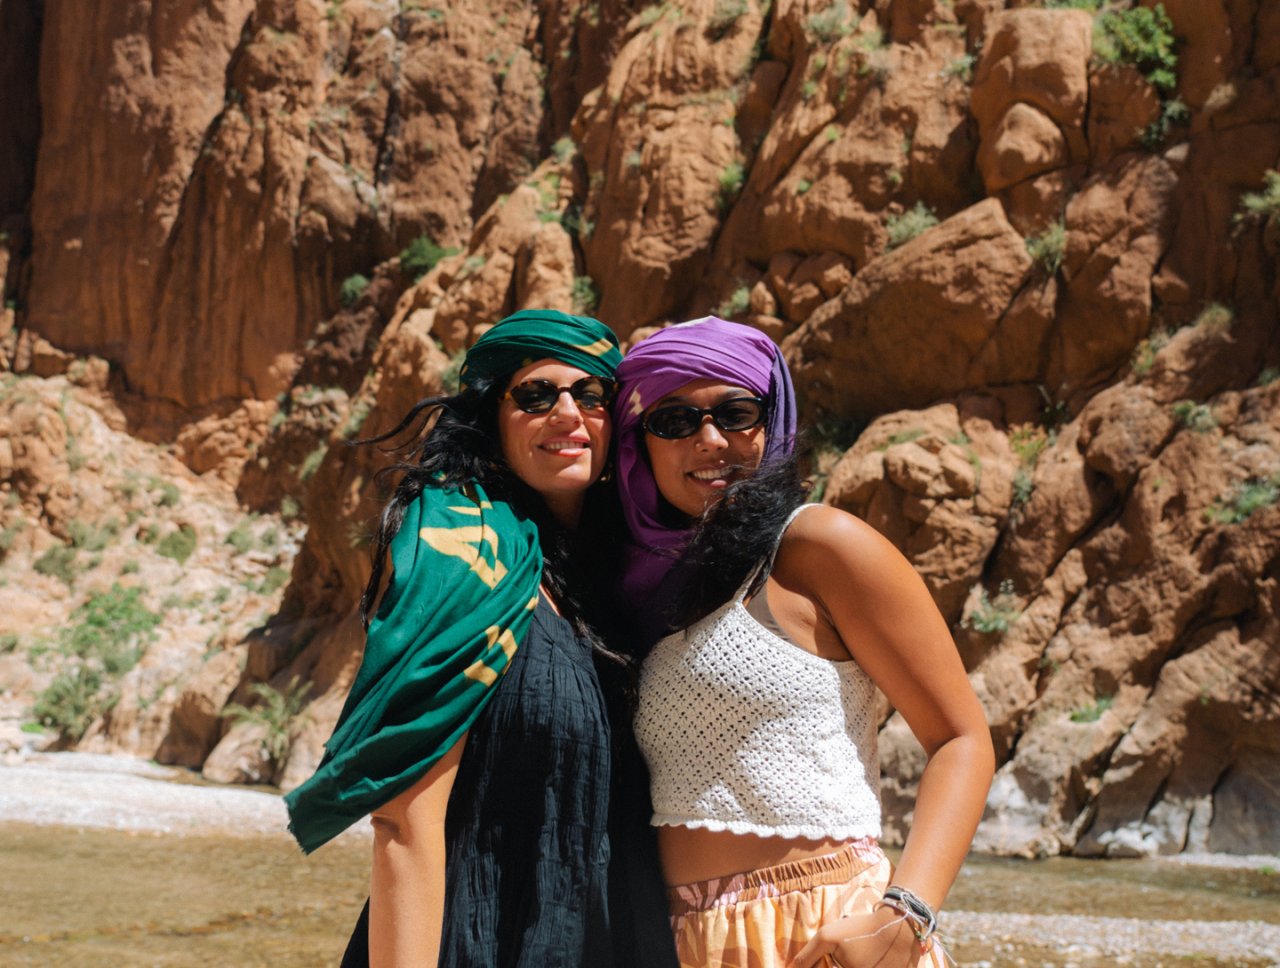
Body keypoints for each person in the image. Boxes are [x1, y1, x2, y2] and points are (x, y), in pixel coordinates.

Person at [285, 309, 677, 968]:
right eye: (535, 395)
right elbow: (404, 821)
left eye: (591, 395)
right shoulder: (461, 561)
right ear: (492, 416)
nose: (567, 413)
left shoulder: (612, 586)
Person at [612, 317, 995, 968]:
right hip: (675, 941)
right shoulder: (626, 591)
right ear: (638, 443)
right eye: (673, 421)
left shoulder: (818, 547)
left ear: (772, 419)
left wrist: (906, 915)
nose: (710, 440)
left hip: (827, 930)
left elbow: (962, 740)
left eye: (736, 412)